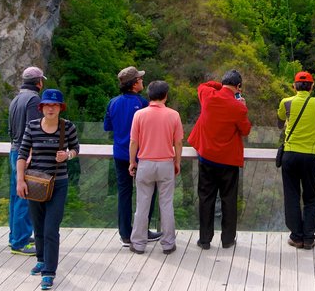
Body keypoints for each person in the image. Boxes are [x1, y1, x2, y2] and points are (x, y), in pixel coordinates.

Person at [16, 89, 80, 291]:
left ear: (60, 108)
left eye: (55, 105)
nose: (51, 108)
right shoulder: (32, 126)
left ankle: (49, 272)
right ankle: (41, 259)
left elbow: (76, 150)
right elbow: (22, 154)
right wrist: (20, 181)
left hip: (58, 183)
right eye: (47, 105)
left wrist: (67, 155)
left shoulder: (67, 127)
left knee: (51, 227)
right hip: (35, 182)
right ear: (41, 107)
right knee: (38, 225)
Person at [188, 70, 252, 250]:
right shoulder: (238, 107)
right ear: (239, 87)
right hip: (228, 161)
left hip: (207, 157)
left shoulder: (208, 96)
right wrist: (242, 104)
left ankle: (205, 240)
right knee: (229, 200)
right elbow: (245, 130)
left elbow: (203, 85)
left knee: (206, 198)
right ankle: (227, 240)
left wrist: (221, 85)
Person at [104, 66, 161, 247]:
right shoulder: (143, 103)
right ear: (134, 84)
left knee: (124, 193)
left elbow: (108, 127)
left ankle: (125, 234)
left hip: (120, 154)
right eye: (140, 79)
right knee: (147, 193)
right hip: (141, 154)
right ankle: (142, 230)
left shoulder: (112, 102)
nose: (142, 82)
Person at [277, 71, 315, 250]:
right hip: (310, 156)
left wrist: (287, 123)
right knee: (310, 197)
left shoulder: (286, 102)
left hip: (290, 155)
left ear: (294, 86)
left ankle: (296, 237)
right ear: (312, 86)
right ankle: (309, 238)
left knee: (292, 196)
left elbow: (279, 123)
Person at [129, 81, 183, 254]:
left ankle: (138, 243)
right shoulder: (173, 115)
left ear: (149, 95)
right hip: (166, 162)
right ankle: (168, 244)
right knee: (166, 204)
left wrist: (132, 162)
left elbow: (133, 142)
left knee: (142, 205)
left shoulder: (139, 115)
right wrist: (177, 162)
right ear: (166, 96)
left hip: (145, 163)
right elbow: (178, 142)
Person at [7, 66, 44, 255]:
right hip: (26, 153)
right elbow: (33, 129)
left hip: (14, 150)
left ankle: (15, 235)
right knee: (25, 195)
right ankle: (20, 242)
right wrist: (32, 154)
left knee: (16, 194)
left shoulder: (16, 99)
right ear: (39, 82)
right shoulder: (34, 99)